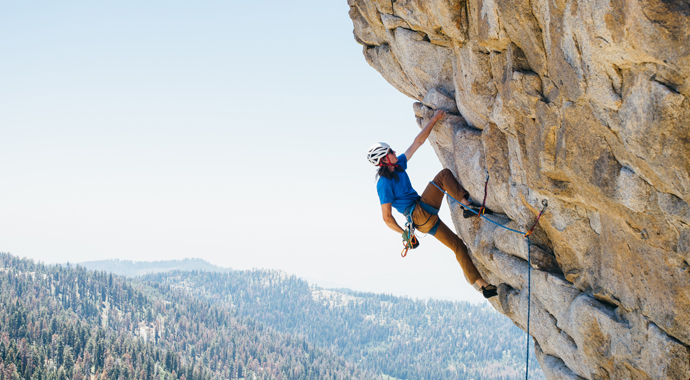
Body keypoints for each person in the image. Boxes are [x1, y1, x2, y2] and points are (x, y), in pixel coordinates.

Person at [367, 109, 498, 299]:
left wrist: (435, 120)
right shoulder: (384, 184)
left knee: (458, 246)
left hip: (422, 221)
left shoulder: (398, 166)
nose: (395, 152)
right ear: (383, 159)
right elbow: (386, 218)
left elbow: (417, 142)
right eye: (390, 152)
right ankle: (467, 206)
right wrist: (403, 233)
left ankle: (483, 286)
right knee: (443, 176)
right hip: (419, 213)